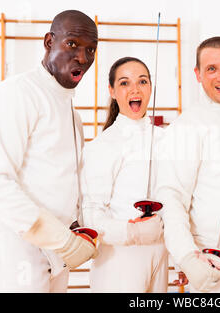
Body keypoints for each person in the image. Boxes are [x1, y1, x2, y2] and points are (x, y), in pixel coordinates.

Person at [0, 10, 99, 292]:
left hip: (55, 254)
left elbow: (61, 182)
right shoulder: (16, 94)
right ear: (48, 42)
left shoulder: (72, 113)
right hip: (14, 249)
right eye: (72, 44)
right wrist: (63, 240)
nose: (82, 57)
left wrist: (78, 229)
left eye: (90, 49)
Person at [155, 37, 220, 293]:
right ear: (198, 75)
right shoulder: (187, 126)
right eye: (211, 69)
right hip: (215, 265)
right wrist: (187, 257)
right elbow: (170, 196)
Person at [80, 57, 168, 292]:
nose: (135, 89)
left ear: (151, 87)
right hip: (119, 261)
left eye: (142, 81)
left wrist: (181, 259)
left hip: (160, 257)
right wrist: (132, 232)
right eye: (124, 83)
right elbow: (90, 213)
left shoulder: (166, 140)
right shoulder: (103, 145)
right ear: (112, 91)